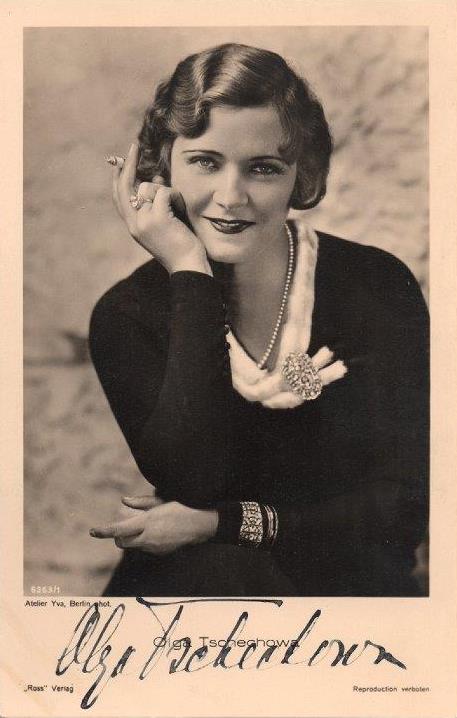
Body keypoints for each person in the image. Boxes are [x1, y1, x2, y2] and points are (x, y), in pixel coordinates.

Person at [89, 43, 429, 597]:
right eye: (205, 162)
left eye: (263, 168)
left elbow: (404, 512)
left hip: (351, 597)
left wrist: (219, 524)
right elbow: (193, 478)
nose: (231, 197)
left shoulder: (374, 285)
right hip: (197, 594)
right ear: (161, 166)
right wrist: (188, 270)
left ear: (301, 174)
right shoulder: (127, 315)